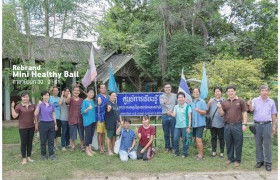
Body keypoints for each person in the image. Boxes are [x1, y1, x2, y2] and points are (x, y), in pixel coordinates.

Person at [247, 85, 277, 171]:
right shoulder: (255, 100)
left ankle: (268, 162)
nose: (264, 92)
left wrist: (274, 126)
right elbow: (251, 110)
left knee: (267, 145)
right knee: (258, 144)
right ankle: (260, 161)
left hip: (267, 125)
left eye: (266, 90)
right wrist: (249, 105)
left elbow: (273, 114)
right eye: (262, 90)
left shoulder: (271, 102)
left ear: (268, 92)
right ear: (260, 92)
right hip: (257, 125)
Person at [217, 85, 248, 167]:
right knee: (229, 143)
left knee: (238, 143)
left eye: (232, 91)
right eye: (229, 91)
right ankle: (230, 158)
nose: (230, 92)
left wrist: (244, 124)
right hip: (227, 126)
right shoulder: (224, 102)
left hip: (237, 125)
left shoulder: (240, 101)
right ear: (227, 92)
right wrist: (219, 107)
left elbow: (245, 112)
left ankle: (238, 160)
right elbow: (221, 114)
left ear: (235, 91)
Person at [11, 92, 36, 164]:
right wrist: (12, 107)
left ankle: (29, 157)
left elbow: (35, 115)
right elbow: (15, 116)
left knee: (30, 142)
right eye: (24, 97)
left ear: (29, 98)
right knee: (24, 143)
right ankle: (24, 158)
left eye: (27, 97)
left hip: (31, 127)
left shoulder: (32, 105)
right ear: (22, 98)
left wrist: (36, 124)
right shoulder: (19, 106)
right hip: (23, 127)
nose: (25, 98)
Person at [34, 90, 58, 160]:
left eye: (47, 95)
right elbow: (35, 114)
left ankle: (51, 154)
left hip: (51, 123)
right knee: (43, 140)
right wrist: (38, 105)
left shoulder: (51, 105)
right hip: (43, 124)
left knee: (51, 140)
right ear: (42, 96)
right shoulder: (40, 105)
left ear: (49, 96)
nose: (46, 96)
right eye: (44, 95)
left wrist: (55, 124)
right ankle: (43, 155)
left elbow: (53, 114)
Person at [171, 92, 192, 158]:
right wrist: (170, 113)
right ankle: (176, 153)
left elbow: (189, 117)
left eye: (182, 97)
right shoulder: (176, 106)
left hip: (185, 126)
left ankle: (184, 153)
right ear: (177, 99)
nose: (180, 99)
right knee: (175, 139)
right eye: (179, 97)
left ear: (184, 98)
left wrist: (189, 127)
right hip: (177, 126)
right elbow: (174, 115)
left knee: (185, 140)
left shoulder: (187, 106)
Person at [190, 88, 207, 160]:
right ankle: (198, 153)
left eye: (197, 92)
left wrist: (199, 110)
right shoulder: (192, 102)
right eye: (194, 92)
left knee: (198, 139)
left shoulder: (202, 101)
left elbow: (205, 112)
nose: (196, 93)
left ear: (199, 93)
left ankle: (201, 155)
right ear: (193, 93)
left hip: (200, 124)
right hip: (194, 124)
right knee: (196, 139)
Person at [207, 86, 225, 158]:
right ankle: (213, 151)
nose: (217, 93)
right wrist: (208, 103)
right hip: (213, 123)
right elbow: (206, 111)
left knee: (221, 138)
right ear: (214, 93)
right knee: (213, 137)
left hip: (221, 123)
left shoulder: (224, 101)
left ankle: (222, 152)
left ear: (221, 92)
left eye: (218, 91)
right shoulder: (211, 100)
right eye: (216, 91)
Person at [160, 82, 177, 152]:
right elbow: (162, 103)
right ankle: (167, 147)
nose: (168, 89)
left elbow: (178, 104)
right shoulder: (161, 96)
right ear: (164, 89)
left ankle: (173, 147)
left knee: (173, 133)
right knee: (166, 133)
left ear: (171, 88)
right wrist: (165, 102)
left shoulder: (175, 96)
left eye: (169, 87)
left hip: (173, 116)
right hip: (165, 116)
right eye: (166, 87)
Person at [67, 86, 85, 152]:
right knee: (72, 134)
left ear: (79, 92)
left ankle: (82, 146)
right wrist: (68, 97)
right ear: (73, 91)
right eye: (75, 90)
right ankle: (73, 146)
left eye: (77, 90)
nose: (76, 91)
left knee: (81, 134)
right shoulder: (70, 99)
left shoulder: (81, 100)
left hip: (80, 119)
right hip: (72, 119)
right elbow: (67, 102)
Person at [81, 88, 97, 156]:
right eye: (90, 92)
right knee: (87, 135)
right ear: (87, 93)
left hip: (93, 120)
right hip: (87, 121)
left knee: (91, 135)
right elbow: (82, 112)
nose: (91, 94)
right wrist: (87, 109)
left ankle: (90, 149)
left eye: (92, 93)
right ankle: (87, 150)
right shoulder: (85, 101)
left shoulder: (92, 101)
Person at [104, 91, 121, 156]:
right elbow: (108, 108)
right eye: (113, 95)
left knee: (114, 137)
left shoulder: (116, 104)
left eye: (115, 96)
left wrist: (120, 121)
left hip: (116, 124)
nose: (114, 97)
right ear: (110, 96)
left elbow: (118, 114)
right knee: (109, 137)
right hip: (110, 123)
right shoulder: (108, 103)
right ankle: (109, 150)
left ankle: (113, 149)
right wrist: (108, 108)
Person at [96, 83, 108, 153]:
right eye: (102, 88)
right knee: (100, 133)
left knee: (104, 133)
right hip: (100, 118)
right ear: (99, 89)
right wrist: (99, 101)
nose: (103, 89)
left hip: (106, 117)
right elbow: (99, 103)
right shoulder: (98, 96)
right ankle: (100, 147)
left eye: (104, 88)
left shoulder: (107, 97)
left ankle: (103, 146)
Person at [49, 87, 61, 151]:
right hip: (51, 117)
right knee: (52, 132)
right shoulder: (50, 97)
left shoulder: (59, 98)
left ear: (58, 91)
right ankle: (53, 145)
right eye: (54, 91)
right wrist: (49, 91)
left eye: (57, 90)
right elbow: (43, 97)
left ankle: (55, 145)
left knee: (57, 132)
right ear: (52, 91)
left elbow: (61, 104)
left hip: (58, 117)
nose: (56, 92)